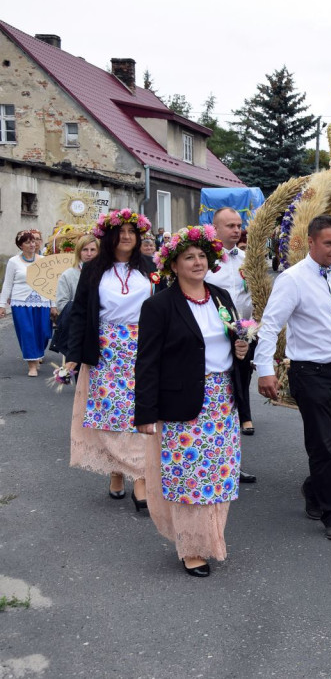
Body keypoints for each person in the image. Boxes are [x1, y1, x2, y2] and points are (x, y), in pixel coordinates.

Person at [135, 225, 248, 578]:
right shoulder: (159, 306)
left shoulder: (220, 297)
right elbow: (147, 362)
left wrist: (243, 348)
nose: (197, 262)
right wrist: (145, 413)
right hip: (184, 404)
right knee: (189, 479)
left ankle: (211, 537)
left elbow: (235, 341)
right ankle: (192, 548)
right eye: (189, 257)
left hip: (222, 401)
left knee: (220, 476)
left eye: (202, 256)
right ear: (173, 264)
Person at [255, 215, 331, 541]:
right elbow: (271, 326)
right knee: (322, 445)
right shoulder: (293, 279)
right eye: (328, 243)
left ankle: (314, 486)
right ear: (311, 242)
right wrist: (265, 371)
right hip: (309, 372)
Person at [65, 209, 159, 507]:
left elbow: (166, 303)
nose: (127, 236)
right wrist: (73, 356)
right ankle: (117, 470)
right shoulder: (94, 270)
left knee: (140, 412)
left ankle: (141, 477)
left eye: (133, 231)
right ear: (110, 237)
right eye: (121, 232)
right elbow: (80, 312)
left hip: (143, 346)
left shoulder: (150, 267)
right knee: (111, 415)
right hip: (105, 348)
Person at [205, 208, 257, 485]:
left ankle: (230, 463)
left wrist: (252, 328)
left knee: (236, 395)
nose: (236, 230)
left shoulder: (247, 260)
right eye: (230, 226)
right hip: (211, 337)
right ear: (214, 228)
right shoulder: (205, 260)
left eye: (239, 225)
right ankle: (207, 460)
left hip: (243, 336)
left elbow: (255, 295)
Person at [1, 230, 53, 376]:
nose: (32, 244)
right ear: (20, 245)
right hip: (20, 302)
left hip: (42, 302)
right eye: (28, 242)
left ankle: (37, 354)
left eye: (33, 241)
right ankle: (32, 366)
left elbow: (51, 285)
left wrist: (53, 304)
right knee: (27, 332)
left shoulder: (43, 260)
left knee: (43, 332)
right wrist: (1, 304)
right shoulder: (13, 261)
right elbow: (7, 284)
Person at [50, 234, 99, 356]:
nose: (89, 254)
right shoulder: (68, 275)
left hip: (100, 327)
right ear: (79, 252)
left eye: (93, 250)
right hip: (77, 328)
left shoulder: (106, 273)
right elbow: (62, 304)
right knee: (78, 367)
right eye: (85, 250)